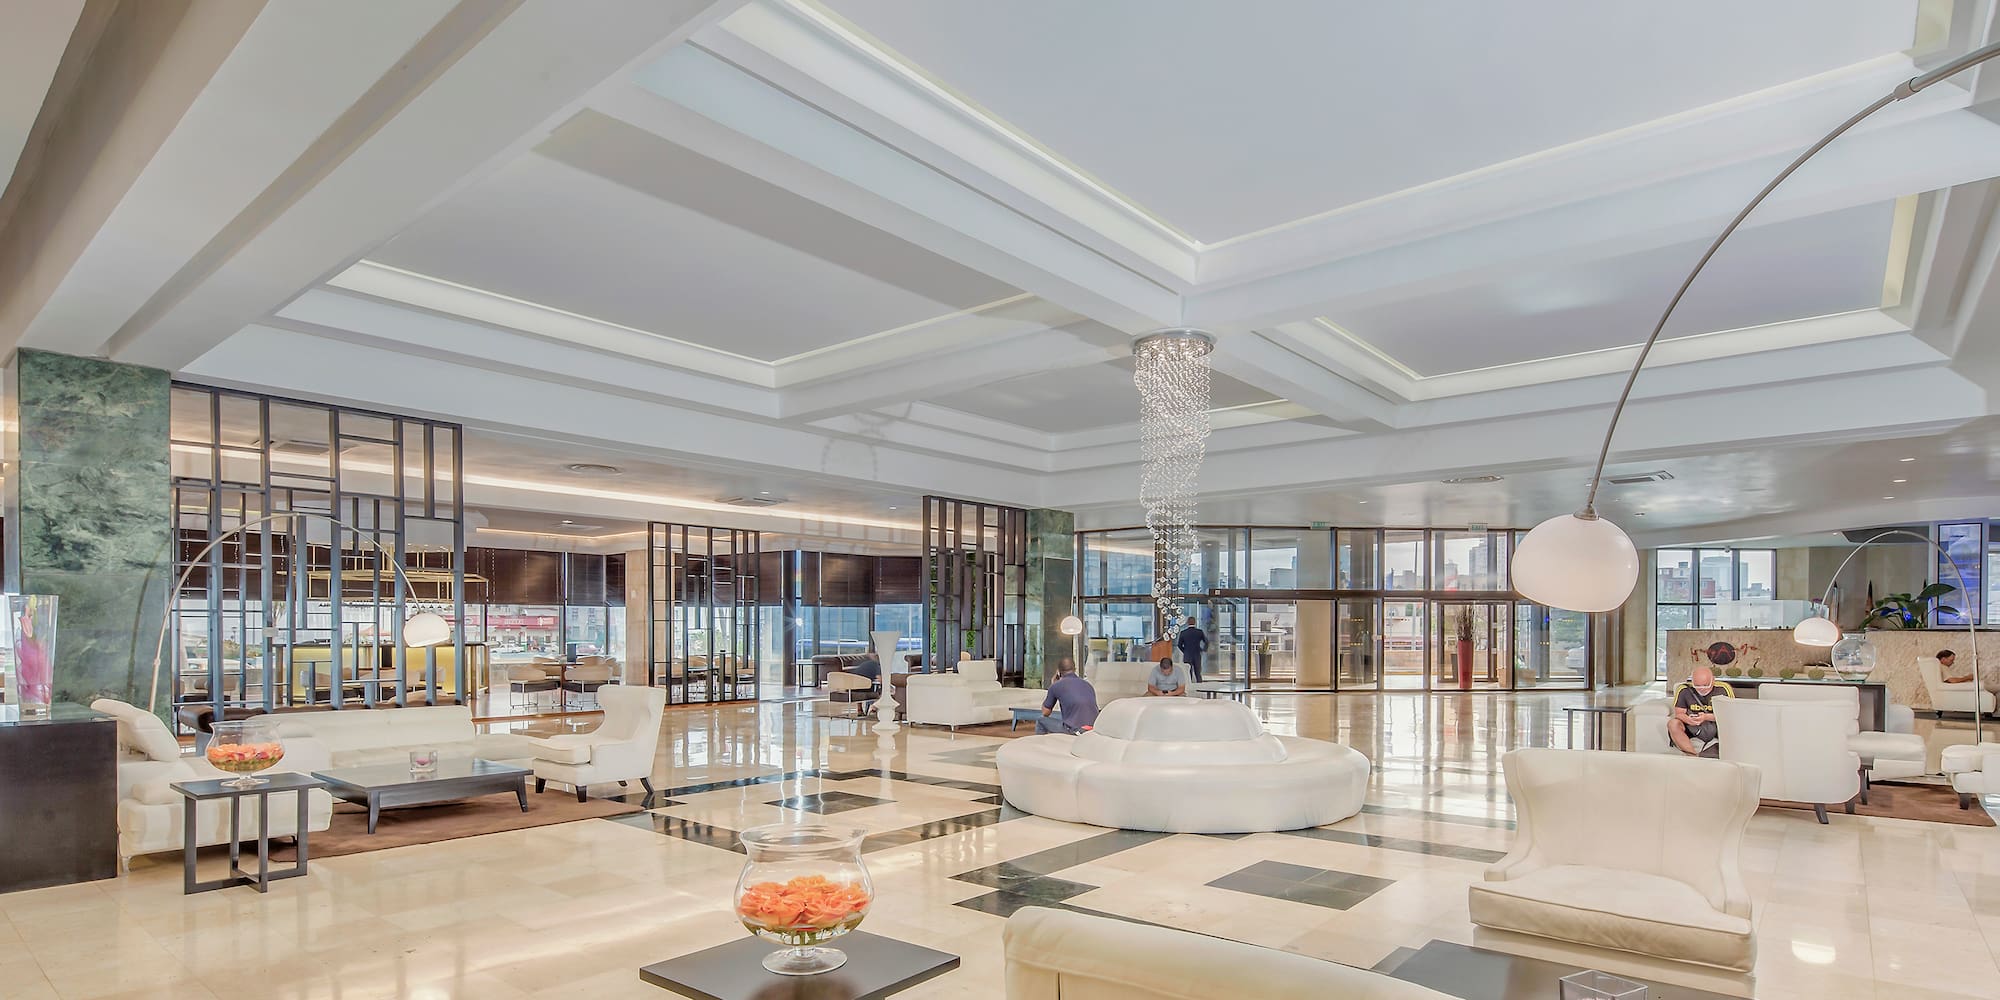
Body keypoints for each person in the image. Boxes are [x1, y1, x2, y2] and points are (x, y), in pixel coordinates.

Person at [1670, 666, 1732, 758]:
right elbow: (1679, 713)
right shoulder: (1684, 690)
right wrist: (1688, 719)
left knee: (1731, 725)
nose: (1702, 689)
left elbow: (1730, 715)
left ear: (1713, 680)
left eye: (1705, 685)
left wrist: (1706, 717)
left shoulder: (1723, 689)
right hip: (1692, 726)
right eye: (1697, 686)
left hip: (1716, 724)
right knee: (1673, 723)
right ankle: (1692, 756)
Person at [1037, 656, 1098, 735]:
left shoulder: (1056, 686)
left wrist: (1052, 686)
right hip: (1093, 729)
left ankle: (1041, 746)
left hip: (1076, 730)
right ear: (1075, 669)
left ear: (1058, 672)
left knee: (1041, 721)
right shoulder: (1088, 685)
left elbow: (1045, 712)